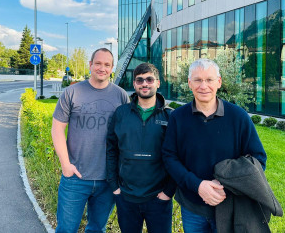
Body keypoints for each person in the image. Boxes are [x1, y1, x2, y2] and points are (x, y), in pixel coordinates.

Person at [162, 58, 267, 233]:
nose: (203, 86)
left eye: (209, 80)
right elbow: (169, 157)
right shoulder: (178, 117)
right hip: (192, 206)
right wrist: (198, 186)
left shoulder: (239, 117)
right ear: (189, 83)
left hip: (230, 206)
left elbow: (258, 159)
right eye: (197, 80)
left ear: (218, 82)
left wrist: (224, 185)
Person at [51, 48, 130, 233]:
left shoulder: (121, 96)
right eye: (98, 63)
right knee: (66, 229)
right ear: (90, 65)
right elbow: (57, 129)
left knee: (97, 229)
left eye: (107, 65)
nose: (102, 68)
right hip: (75, 178)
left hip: (107, 179)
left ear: (112, 68)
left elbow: (128, 135)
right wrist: (65, 166)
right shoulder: (72, 93)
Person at [106, 63, 176, 233]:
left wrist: (168, 192)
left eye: (149, 79)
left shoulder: (171, 116)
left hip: (159, 198)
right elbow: (111, 150)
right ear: (135, 84)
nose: (145, 83)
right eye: (140, 80)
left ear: (158, 83)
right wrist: (114, 186)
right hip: (126, 197)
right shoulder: (120, 113)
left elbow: (178, 156)